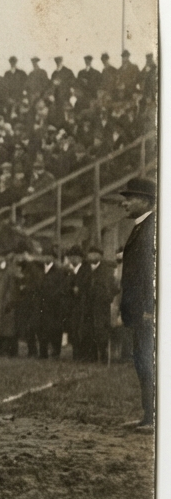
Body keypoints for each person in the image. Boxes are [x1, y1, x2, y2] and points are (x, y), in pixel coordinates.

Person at [116, 177, 156, 430]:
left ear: (145, 200)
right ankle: (149, 416)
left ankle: (155, 418)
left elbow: (154, 273)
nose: (125, 203)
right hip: (138, 309)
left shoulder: (154, 228)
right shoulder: (142, 226)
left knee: (149, 361)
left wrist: (150, 310)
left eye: (130, 198)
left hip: (147, 311)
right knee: (142, 360)